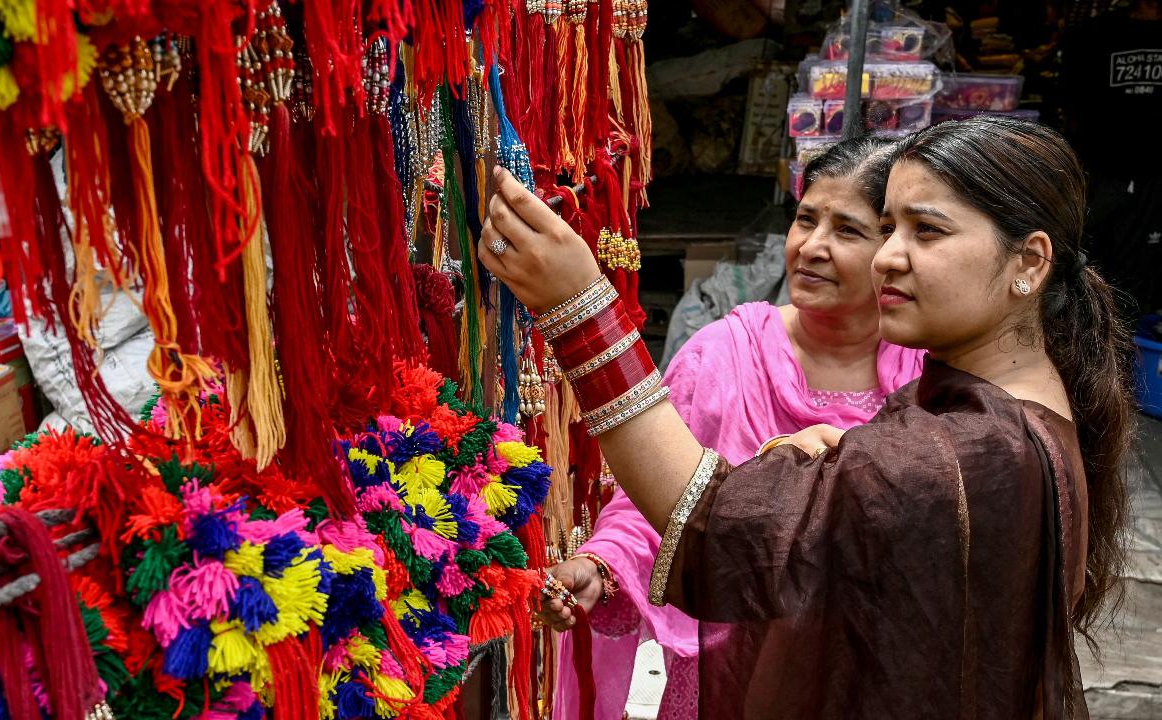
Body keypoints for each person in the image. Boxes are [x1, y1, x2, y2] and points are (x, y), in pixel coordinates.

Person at [480, 116, 1133, 718]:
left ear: (1028, 263)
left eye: (924, 230)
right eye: (889, 228)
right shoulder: (999, 409)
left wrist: (581, 307)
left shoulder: (958, 454)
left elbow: (709, 523)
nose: (887, 257)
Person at [542, 136, 924, 720]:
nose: (811, 247)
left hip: (871, 674)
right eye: (805, 219)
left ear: (895, 249)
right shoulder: (724, 354)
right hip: (726, 682)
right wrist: (603, 566)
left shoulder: (924, 374)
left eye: (847, 231)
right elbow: (657, 501)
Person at [1061, 0, 1162, 319]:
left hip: (1155, 173)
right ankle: (1093, 325)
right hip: (1103, 166)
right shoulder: (1095, 33)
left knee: (1146, 266)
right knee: (1093, 255)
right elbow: (1072, 99)